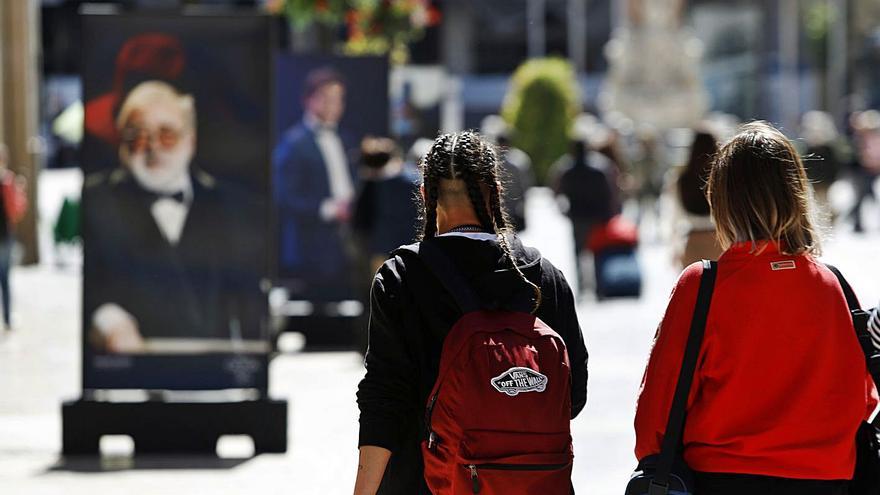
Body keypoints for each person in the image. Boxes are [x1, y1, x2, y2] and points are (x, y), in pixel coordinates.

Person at [635, 122, 877, 494]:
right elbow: (864, 397)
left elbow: (659, 407)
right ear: (797, 195)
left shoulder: (703, 285)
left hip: (723, 479)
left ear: (722, 200)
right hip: (827, 480)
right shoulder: (835, 286)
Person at [354, 131, 588, 494]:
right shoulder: (543, 277)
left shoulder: (401, 278)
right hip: (530, 484)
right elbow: (574, 396)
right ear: (494, 190)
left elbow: (383, 404)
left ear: (424, 194)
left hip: (427, 482)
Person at [82, 80, 263, 353]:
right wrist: (110, 322)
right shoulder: (95, 200)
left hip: (214, 376)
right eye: (139, 136)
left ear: (190, 141)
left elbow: (249, 298)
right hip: (133, 374)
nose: (153, 147)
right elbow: (87, 286)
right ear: (122, 144)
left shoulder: (233, 206)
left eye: (167, 134)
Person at [273, 67, 358, 300]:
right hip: (309, 248)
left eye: (338, 99)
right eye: (327, 99)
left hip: (345, 244)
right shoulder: (293, 143)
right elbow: (284, 196)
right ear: (308, 100)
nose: (334, 105)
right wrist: (329, 209)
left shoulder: (346, 139)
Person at [550, 137, 616, 295]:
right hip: (596, 216)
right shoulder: (599, 168)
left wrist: (563, 210)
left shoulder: (566, 169)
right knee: (597, 251)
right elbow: (609, 193)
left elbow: (556, 190)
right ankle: (599, 287)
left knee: (578, 252)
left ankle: (581, 287)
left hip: (577, 216)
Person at [352, 136, 420, 276]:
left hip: (382, 251)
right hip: (408, 250)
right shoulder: (412, 182)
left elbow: (360, 222)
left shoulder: (371, 185)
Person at [672, 129, 723, 268]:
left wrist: (674, 247)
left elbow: (674, 216)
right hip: (719, 241)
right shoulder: (721, 177)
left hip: (692, 242)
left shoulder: (681, 178)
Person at [0, 144, 17, 331]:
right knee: (4, 280)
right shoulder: (7, 181)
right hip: (4, 236)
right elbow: (15, 210)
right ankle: (6, 319)